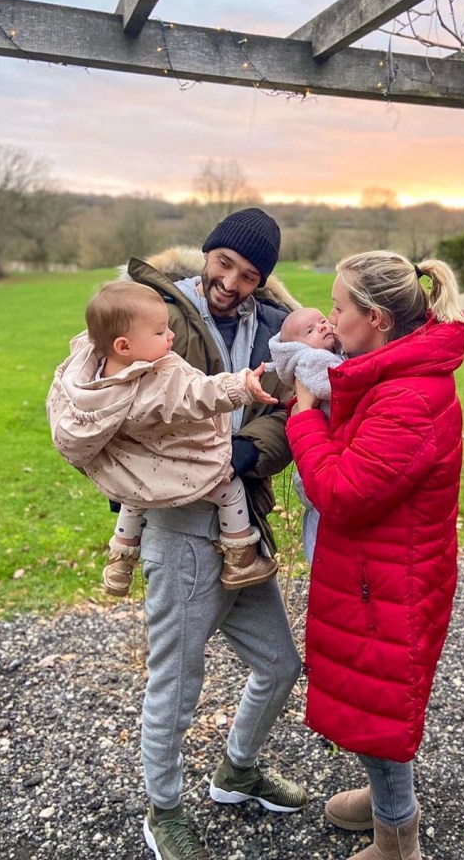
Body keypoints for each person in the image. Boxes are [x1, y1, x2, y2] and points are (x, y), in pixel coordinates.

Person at [122, 208, 307, 860]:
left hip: (241, 521)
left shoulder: (277, 332)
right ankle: (163, 810)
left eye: (249, 274)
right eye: (224, 264)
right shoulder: (157, 316)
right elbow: (119, 403)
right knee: (176, 681)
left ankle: (237, 771)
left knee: (281, 665)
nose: (231, 282)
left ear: (262, 280)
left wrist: (241, 456)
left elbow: (291, 414)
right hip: (176, 525)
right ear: (209, 254)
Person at [285, 250, 464, 860]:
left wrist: (303, 419)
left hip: (391, 582)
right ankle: (387, 801)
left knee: (378, 705)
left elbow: (341, 492)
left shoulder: (410, 397)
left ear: (379, 319)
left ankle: (398, 836)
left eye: (339, 309)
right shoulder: (388, 372)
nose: (331, 321)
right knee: (370, 698)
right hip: (377, 572)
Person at [46, 280, 280, 597]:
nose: (170, 336)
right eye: (160, 332)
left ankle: (120, 562)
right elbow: (199, 394)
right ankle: (241, 560)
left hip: (132, 470)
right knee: (228, 488)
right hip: (175, 464)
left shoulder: (89, 377)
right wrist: (241, 386)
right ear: (124, 346)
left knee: (134, 497)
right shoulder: (155, 383)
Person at [267, 307, 342, 561]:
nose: (322, 327)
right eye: (310, 331)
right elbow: (338, 383)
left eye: (322, 322)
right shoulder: (310, 361)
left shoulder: (327, 353)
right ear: (294, 348)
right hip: (321, 452)